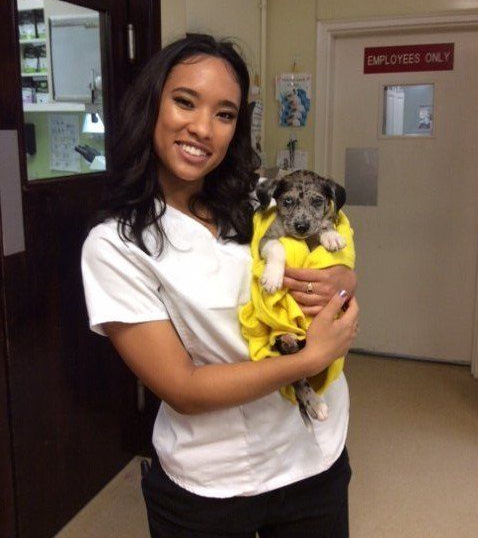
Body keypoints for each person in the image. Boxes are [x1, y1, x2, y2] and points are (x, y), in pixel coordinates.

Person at [81, 34, 359, 537]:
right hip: (211, 480)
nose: (202, 128)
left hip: (313, 453)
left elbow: (330, 243)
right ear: (152, 105)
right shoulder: (116, 245)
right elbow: (183, 387)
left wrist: (344, 279)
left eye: (225, 114)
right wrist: (309, 360)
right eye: (185, 102)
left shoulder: (259, 200)